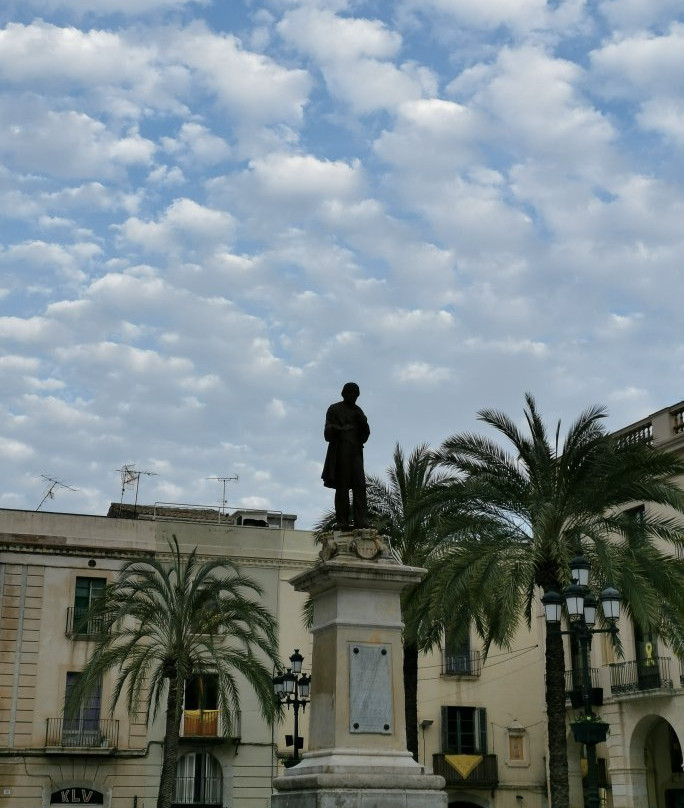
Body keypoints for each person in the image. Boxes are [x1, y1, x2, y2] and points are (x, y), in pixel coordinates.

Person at [322, 382, 370, 531]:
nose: (352, 395)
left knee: (360, 486)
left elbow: (365, 435)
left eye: (355, 393)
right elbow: (327, 433)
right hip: (340, 452)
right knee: (342, 487)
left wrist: (362, 422)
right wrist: (341, 429)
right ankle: (342, 522)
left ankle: (360, 521)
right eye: (350, 392)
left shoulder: (358, 411)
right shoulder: (334, 408)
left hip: (355, 452)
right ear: (343, 393)